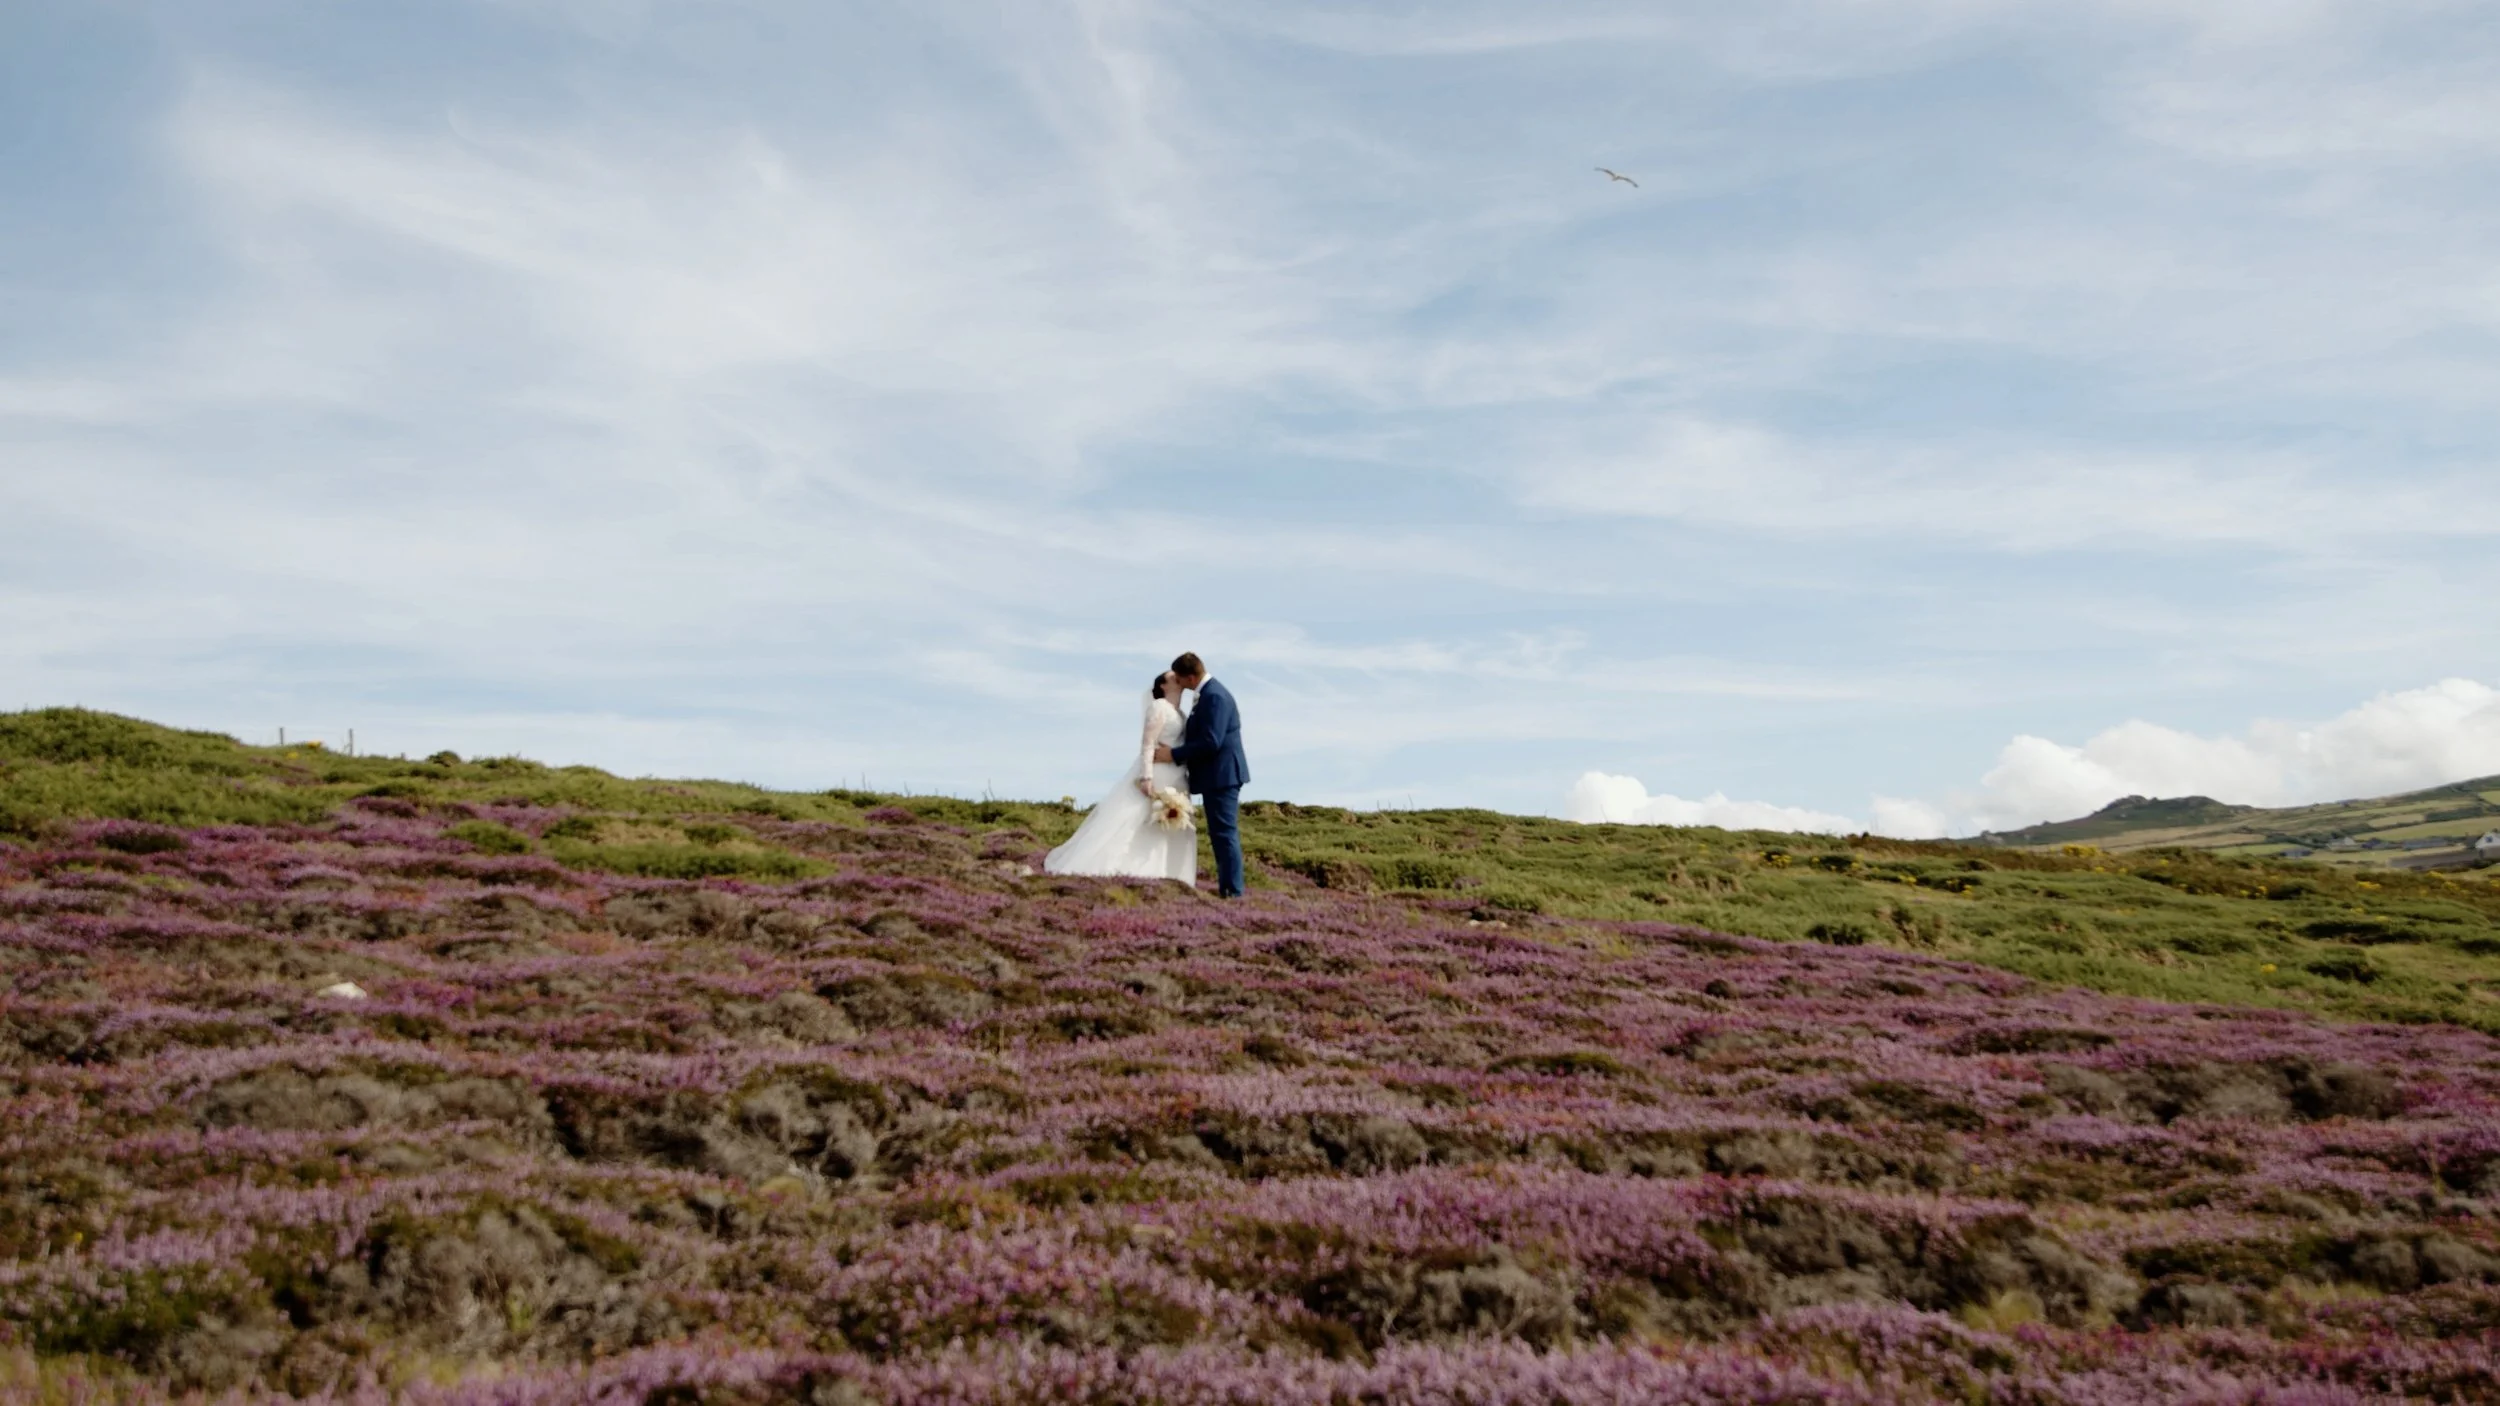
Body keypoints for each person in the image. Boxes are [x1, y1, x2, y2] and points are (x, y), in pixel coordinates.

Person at [1041, 671, 1198, 882]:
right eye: (1172, 677)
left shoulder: (1181, 714)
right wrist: (1146, 776)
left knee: (1172, 823)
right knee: (1144, 818)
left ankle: (1168, 873)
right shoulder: (1159, 707)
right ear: (1162, 685)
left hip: (1176, 776)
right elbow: (1148, 743)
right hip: (1159, 772)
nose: (1177, 677)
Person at [1154, 652, 1249, 898]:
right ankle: (1228, 889)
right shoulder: (1208, 694)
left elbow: (1211, 741)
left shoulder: (1214, 696)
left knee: (1224, 833)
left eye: (1180, 679)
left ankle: (1233, 892)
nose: (1178, 684)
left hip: (1223, 775)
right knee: (1220, 834)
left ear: (1191, 678)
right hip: (1216, 776)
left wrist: (1173, 754)